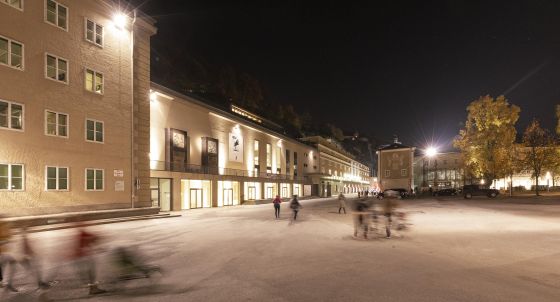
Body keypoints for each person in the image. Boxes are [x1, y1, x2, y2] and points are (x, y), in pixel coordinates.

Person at [73, 226, 106, 295]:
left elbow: (90, 240)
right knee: (91, 272)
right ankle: (93, 289)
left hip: (83, 255)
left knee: (91, 272)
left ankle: (93, 289)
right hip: (85, 255)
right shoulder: (82, 232)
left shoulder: (81, 232)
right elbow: (91, 239)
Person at [0, 215, 18, 292]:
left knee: (10, 262)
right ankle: (8, 283)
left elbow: (10, 236)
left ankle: (8, 283)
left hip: (3, 252)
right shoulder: (4, 225)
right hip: (2, 252)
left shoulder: (5, 225)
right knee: (3, 265)